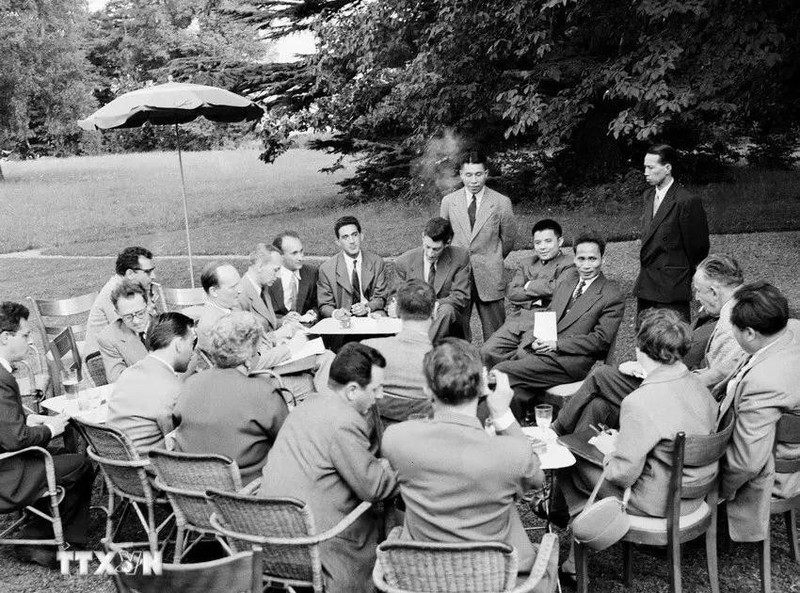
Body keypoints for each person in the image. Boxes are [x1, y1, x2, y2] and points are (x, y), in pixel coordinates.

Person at [554, 309, 717, 577]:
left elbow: (622, 474)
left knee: (569, 457)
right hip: (694, 494)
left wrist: (611, 450)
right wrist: (624, 442)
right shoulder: (699, 386)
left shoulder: (640, 401)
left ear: (640, 348)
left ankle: (581, 532)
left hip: (655, 501)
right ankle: (574, 553)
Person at [381, 339, 547, 575]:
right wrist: (502, 414)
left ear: (427, 389)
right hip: (488, 576)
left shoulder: (396, 439)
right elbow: (537, 478)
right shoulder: (512, 453)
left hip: (423, 575)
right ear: (482, 386)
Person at [551, 253, 747, 436]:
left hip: (683, 400)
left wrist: (650, 370)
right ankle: (574, 460)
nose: (695, 297)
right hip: (681, 388)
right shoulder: (738, 311)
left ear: (714, 291)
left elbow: (713, 379)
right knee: (598, 406)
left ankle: (556, 430)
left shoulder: (732, 323)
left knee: (601, 375)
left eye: (697, 290)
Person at [259, 343, 398, 593]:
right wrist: (396, 466)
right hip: (319, 540)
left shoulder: (307, 405)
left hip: (270, 532)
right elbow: (375, 488)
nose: (381, 396)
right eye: (376, 388)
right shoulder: (345, 421)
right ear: (352, 390)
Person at [484, 232, 625, 415]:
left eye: (592, 259)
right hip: (544, 353)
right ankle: (515, 434)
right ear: (574, 258)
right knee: (517, 393)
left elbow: (600, 341)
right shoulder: (568, 282)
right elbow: (548, 315)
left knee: (500, 371)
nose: (586, 265)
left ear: (602, 260)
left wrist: (556, 344)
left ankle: (475, 417)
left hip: (570, 361)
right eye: (581, 259)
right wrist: (535, 340)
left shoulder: (611, 295)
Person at [0, 302, 94, 568]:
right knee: (81, 464)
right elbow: (15, 439)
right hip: (7, 471)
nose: (31, 342)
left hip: (7, 458)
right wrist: (51, 428)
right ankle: (43, 539)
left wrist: (32, 418)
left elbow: (5, 420)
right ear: (5, 337)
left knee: (65, 458)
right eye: (25, 335)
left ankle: (41, 531)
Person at [717, 281, 800, 543]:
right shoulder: (793, 330)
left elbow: (746, 463)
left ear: (751, 333)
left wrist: (713, 491)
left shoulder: (764, 382)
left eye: (735, 330)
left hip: (771, 475)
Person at [173, 312, 289, 485]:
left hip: (193, 491)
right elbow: (287, 443)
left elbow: (178, 425)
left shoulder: (190, 384)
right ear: (249, 357)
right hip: (248, 495)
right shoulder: (263, 393)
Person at [236, 244, 335, 398]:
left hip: (273, 355)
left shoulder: (261, 288)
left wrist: (285, 323)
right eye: (276, 269)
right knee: (326, 359)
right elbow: (248, 355)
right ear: (260, 266)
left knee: (326, 356)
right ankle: (331, 408)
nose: (279, 275)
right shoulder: (241, 296)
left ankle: (328, 407)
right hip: (264, 369)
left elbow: (265, 323)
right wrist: (286, 344)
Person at [440, 151, 516, 340]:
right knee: (458, 332)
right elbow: (443, 238)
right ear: (460, 175)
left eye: (478, 174)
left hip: (489, 274)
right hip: (458, 276)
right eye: (468, 175)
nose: (474, 180)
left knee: (496, 335)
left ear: (486, 173)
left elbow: (508, 239)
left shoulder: (501, 202)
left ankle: (495, 369)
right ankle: (463, 368)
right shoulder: (449, 202)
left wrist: (493, 257)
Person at [634, 144, 709, 323]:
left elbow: (698, 248)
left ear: (667, 168)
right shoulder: (649, 196)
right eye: (645, 166)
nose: (645, 172)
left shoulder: (687, 201)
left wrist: (680, 274)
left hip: (671, 288)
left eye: (651, 167)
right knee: (646, 341)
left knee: (673, 342)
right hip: (647, 284)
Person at [107, 312, 196, 453]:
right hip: (152, 467)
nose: (193, 352)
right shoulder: (174, 389)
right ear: (178, 345)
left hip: (118, 461)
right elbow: (181, 445)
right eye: (192, 343)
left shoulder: (128, 373)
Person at [363, 279, 436, 424]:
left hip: (377, 436)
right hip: (425, 439)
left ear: (397, 310)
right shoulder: (445, 361)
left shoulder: (368, 349)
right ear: (434, 311)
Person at [391, 217, 471, 342]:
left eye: (436, 249)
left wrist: (434, 305)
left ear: (448, 242)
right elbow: (396, 296)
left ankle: (423, 348)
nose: (430, 253)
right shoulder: (403, 262)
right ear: (423, 237)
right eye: (427, 247)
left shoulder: (460, 258)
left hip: (447, 319)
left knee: (446, 310)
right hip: (415, 315)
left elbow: (461, 296)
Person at [84, 246, 155, 356]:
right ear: (130, 273)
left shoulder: (130, 289)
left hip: (119, 350)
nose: (153, 276)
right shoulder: (115, 292)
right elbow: (130, 332)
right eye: (148, 272)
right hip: (100, 360)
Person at [317, 215, 390, 318]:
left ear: (361, 236)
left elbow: (381, 297)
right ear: (338, 242)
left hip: (370, 315)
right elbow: (324, 305)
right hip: (343, 320)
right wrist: (336, 313)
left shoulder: (376, 262)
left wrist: (367, 307)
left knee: (381, 319)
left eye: (354, 235)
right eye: (345, 237)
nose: (352, 241)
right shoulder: (327, 269)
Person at [505, 219, 574, 316]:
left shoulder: (570, 263)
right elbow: (511, 292)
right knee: (499, 331)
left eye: (548, 241)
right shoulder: (526, 263)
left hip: (552, 319)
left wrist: (529, 285)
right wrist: (539, 300)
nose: (542, 247)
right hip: (521, 318)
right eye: (538, 243)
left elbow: (560, 289)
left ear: (560, 241)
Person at [97, 280, 157, 382]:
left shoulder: (168, 324)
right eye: (128, 317)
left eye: (140, 313)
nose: (136, 321)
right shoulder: (108, 337)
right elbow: (116, 379)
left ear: (147, 306)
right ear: (118, 313)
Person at [269, 231, 319, 324]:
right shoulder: (269, 276)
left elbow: (317, 303)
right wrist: (282, 321)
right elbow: (261, 313)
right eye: (294, 253)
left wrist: (313, 313)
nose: (300, 257)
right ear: (280, 255)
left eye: (301, 251)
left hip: (305, 329)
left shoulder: (311, 273)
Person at [195, 261, 242, 356]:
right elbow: (238, 363)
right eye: (233, 287)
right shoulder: (212, 325)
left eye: (238, 284)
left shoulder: (229, 308)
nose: (240, 290)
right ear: (213, 291)